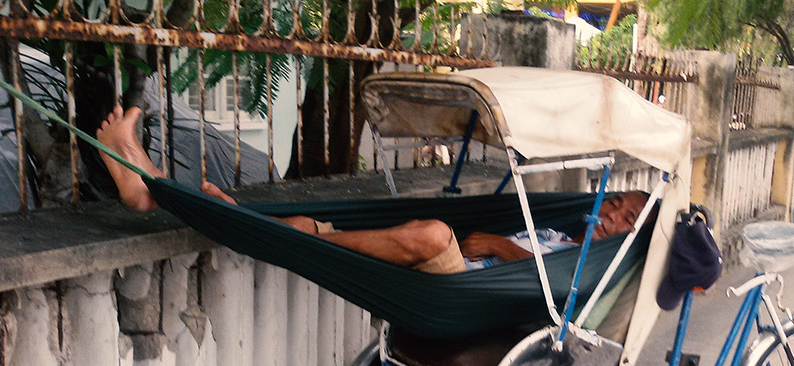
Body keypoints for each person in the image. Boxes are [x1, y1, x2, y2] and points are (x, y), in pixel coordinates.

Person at [96, 106, 649, 275]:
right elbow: (480, 238)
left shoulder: (598, 267)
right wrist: (501, 247)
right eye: (616, 204)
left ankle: (150, 183)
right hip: (466, 275)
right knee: (310, 227)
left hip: (472, 291)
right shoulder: (564, 228)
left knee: (432, 231)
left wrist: (506, 249)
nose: (611, 215)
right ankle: (155, 191)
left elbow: (488, 245)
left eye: (625, 218)